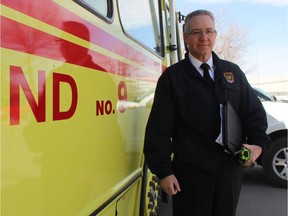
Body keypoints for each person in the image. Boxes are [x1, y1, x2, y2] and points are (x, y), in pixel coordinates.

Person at [144, 9, 270, 216]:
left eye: (209, 31)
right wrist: (164, 172)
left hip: (230, 175)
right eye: (196, 32)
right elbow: (158, 130)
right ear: (185, 37)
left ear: (215, 35)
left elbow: (254, 114)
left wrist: (257, 146)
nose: (204, 38)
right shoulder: (172, 79)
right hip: (190, 177)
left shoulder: (233, 73)